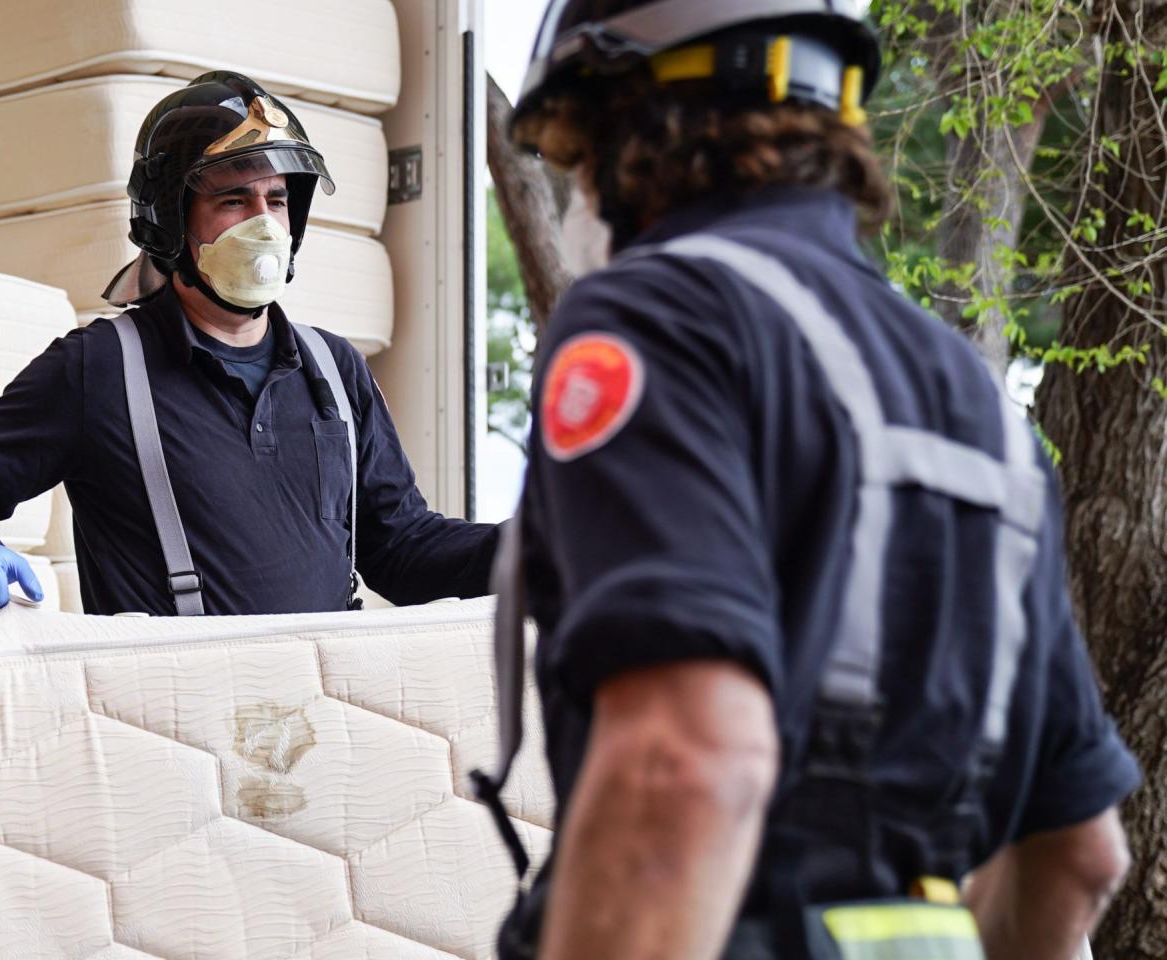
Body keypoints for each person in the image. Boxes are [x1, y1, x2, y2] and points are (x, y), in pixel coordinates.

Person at [474, 2, 1139, 958]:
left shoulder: (662, 316)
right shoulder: (978, 403)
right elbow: (1078, 852)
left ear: (640, 122)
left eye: (579, 154)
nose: (578, 189)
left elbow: (685, 759)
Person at [0, 71, 497, 617]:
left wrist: (526, 550)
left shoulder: (335, 369)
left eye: (277, 200)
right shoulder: (101, 367)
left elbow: (401, 546)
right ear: (169, 219)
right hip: (173, 697)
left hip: (320, 691)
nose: (263, 225)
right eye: (233, 201)